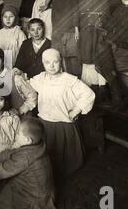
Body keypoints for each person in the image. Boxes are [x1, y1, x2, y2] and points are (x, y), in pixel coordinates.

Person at [29, 49, 95, 181]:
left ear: (61, 63)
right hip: (45, 124)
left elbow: (88, 94)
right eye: (47, 62)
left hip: (63, 125)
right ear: (43, 64)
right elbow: (26, 85)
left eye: (55, 62)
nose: (52, 66)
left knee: (65, 162)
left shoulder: (69, 80)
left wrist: (76, 110)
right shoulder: (40, 78)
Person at [75, 0, 126, 107]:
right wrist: (77, 27)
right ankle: (95, 97)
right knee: (88, 62)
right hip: (85, 29)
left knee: (103, 61)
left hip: (101, 28)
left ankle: (116, 97)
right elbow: (75, 9)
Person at [42, 0, 80, 76]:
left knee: (72, 57)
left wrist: (76, 27)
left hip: (70, 29)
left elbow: (76, 8)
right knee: (57, 56)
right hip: (57, 29)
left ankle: (75, 81)